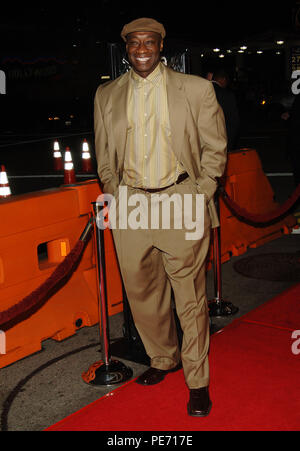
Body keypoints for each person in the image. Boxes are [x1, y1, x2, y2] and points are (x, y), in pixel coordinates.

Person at [94, 17, 227, 417]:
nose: (142, 49)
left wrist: (201, 191)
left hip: (180, 198)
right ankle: (162, 358)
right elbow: (104, 157)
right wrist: (116, 194)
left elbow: (215, 146)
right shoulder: (106, 94)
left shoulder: (196, 89)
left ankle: (198, 381)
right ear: (126, 49)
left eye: (149, 42)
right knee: (142, 295)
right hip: (132, 203)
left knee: (189, 298)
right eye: (134, 43)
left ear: (161, 45)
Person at [208, 68, 240, 151]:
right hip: (221, 138)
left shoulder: (201, 92)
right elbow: (233, 121)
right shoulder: (227, 95)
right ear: (224, 79)